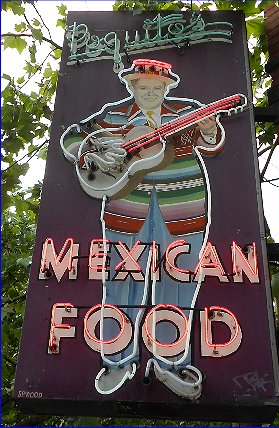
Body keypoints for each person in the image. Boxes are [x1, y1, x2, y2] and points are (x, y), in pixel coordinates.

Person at [60, 59, 227, 399]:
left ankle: (170, 363)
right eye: (143, 87)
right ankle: (117, 360)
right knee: (120, 283)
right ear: (131, 87)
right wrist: (91, 155)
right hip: (126, 207)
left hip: (183, 208)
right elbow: (72, 137)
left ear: (167, 88)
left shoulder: (186, 111)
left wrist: (210, 129)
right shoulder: (114, 115)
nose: (150, 93)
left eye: (157, 88)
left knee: (177, 284)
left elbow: (212, 143)